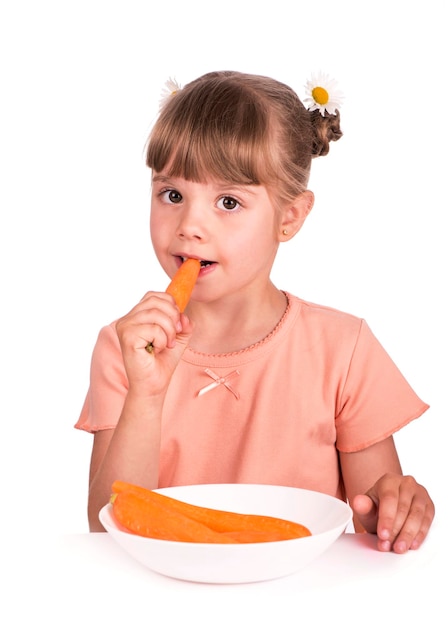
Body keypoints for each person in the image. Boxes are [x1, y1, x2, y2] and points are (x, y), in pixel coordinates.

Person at [76, 70, 435, 552]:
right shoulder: (126, 346)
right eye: (172, 194)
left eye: (228, 201)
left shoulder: (343, 350)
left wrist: (397, 507)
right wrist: (146, 393)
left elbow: (375, 523)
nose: (190, 226)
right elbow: (107, 530)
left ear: (289, 217)